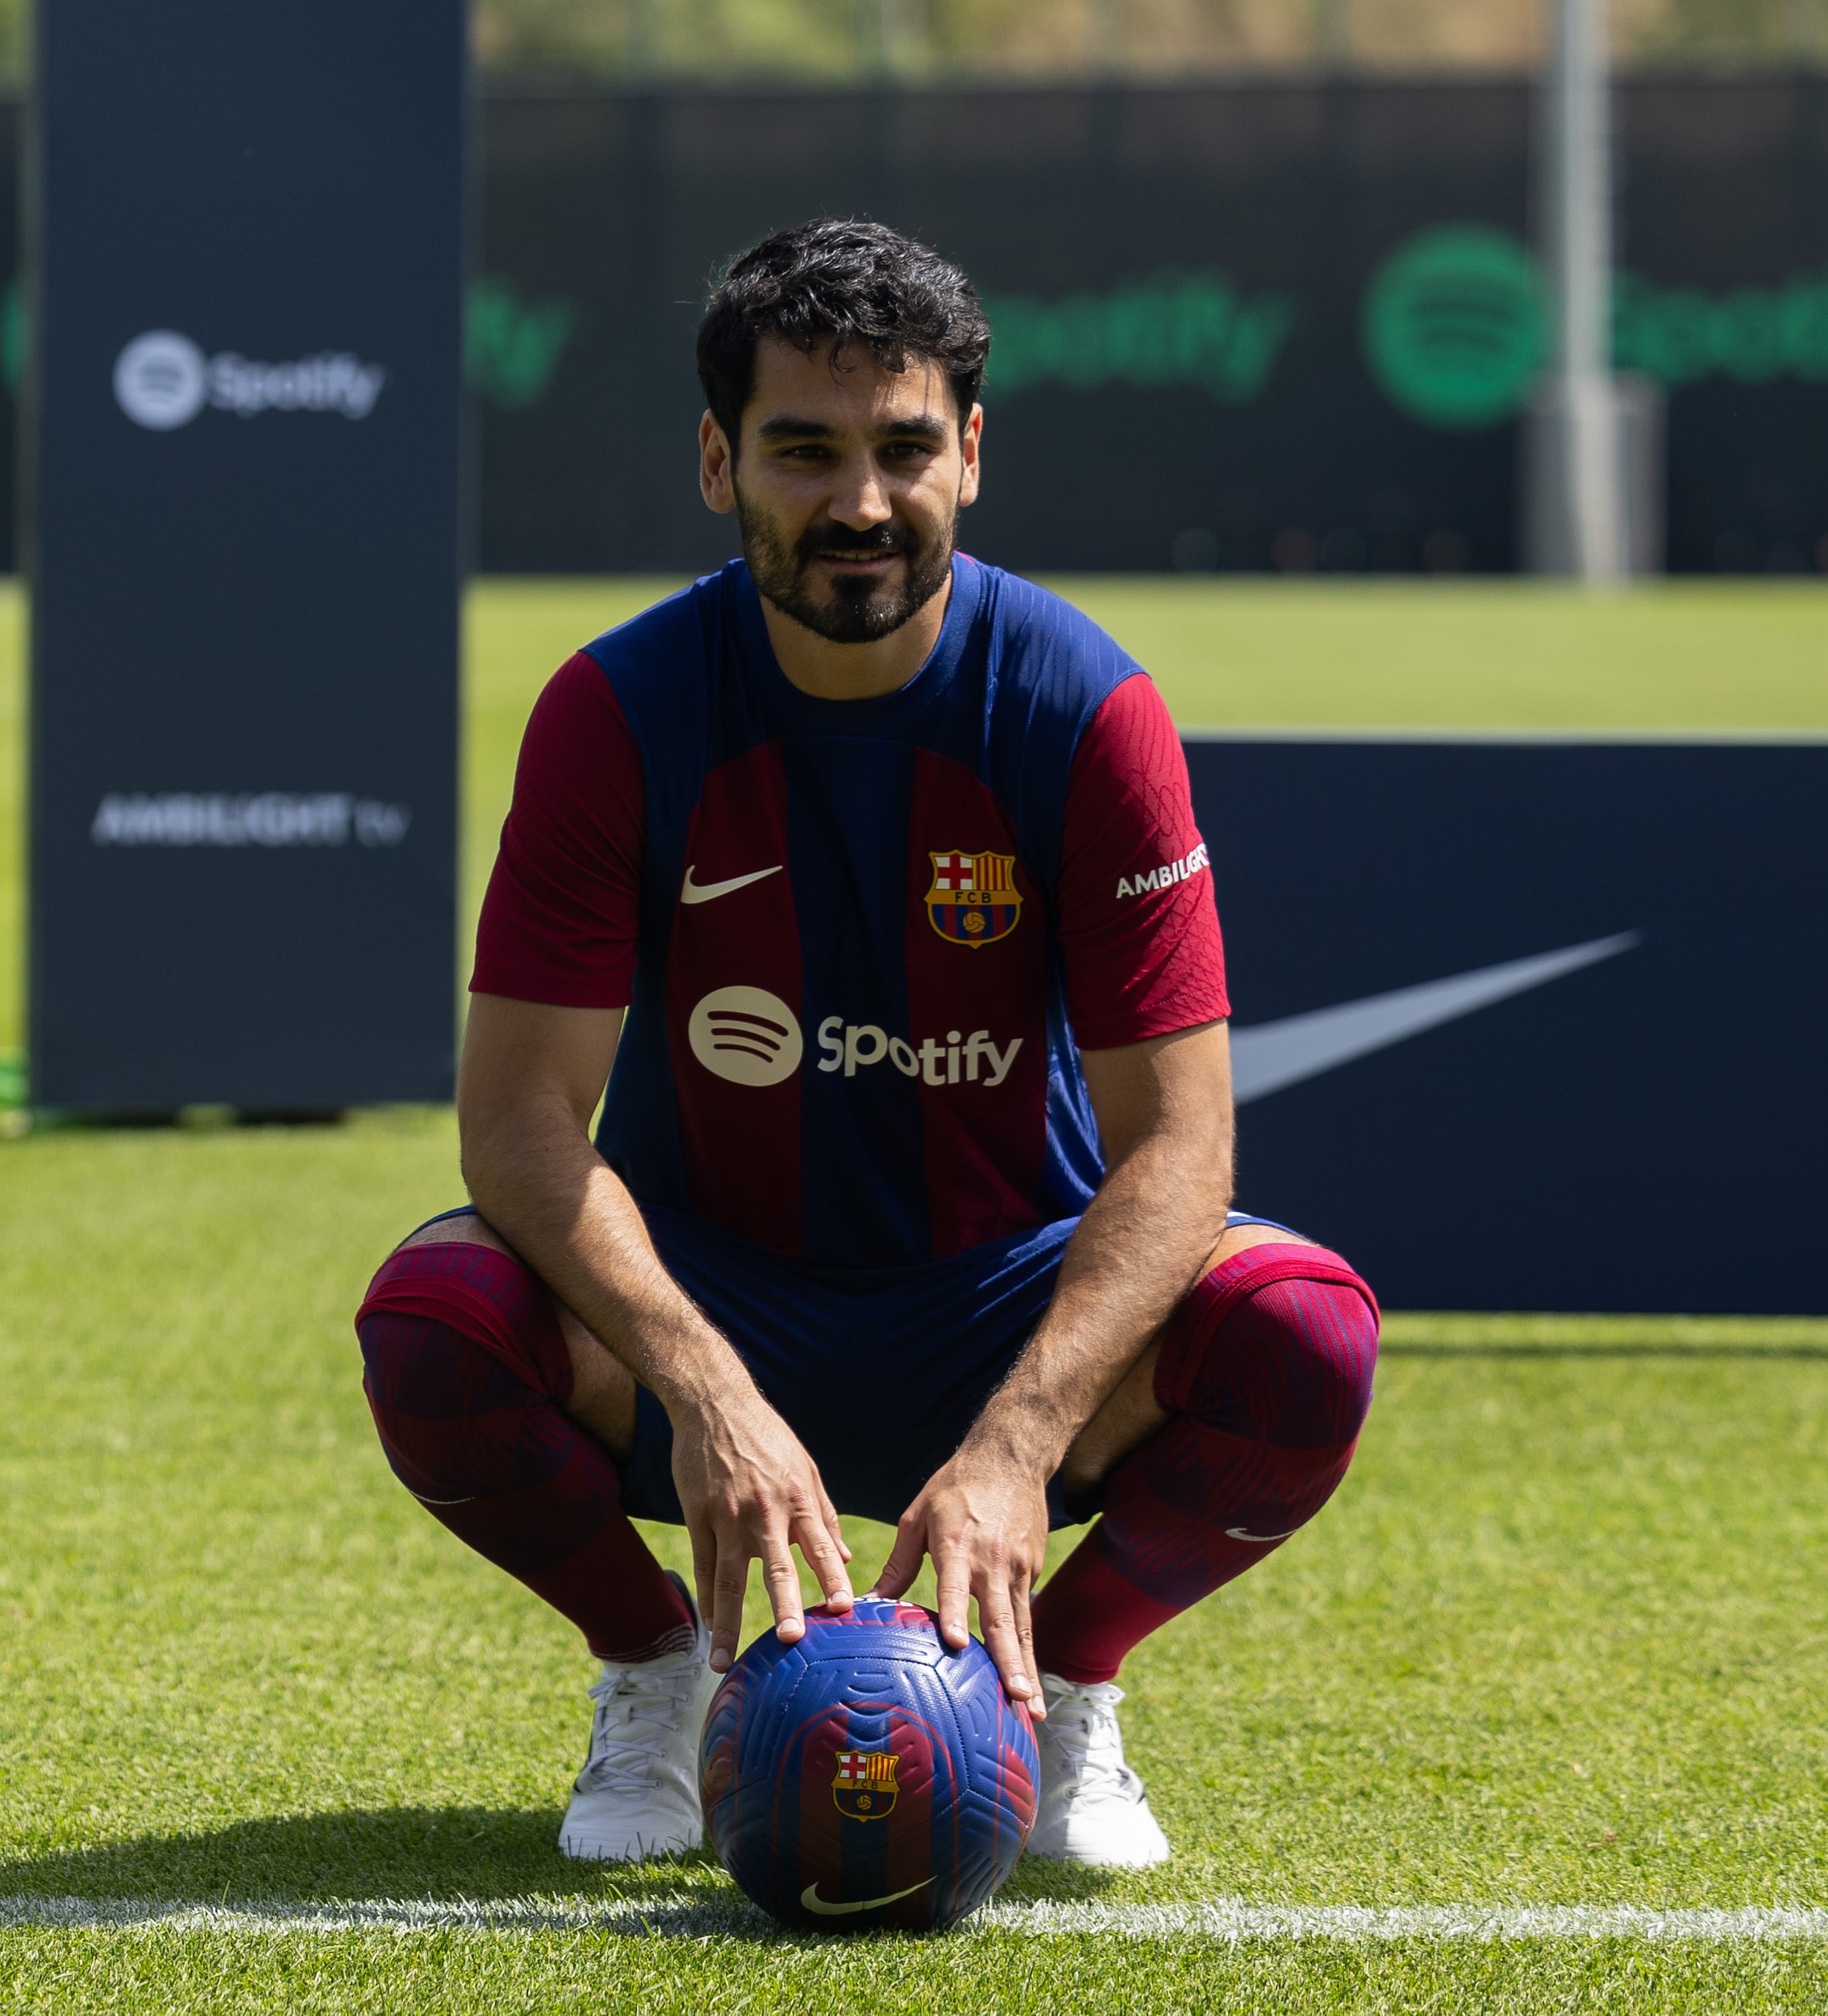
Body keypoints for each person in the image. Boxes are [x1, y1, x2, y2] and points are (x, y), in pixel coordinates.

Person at [358, 220, 1379, 1871]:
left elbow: (1181, 1143)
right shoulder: (613, 710)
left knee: (1306, 1333)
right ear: (716, 460)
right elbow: (522, 1127)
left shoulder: (1082, 706)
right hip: (715, 1286)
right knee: (432, 1319)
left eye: (905, 448)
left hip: (999, 1293)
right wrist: (703, 1385)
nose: (857, 502)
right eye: (802, 451)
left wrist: (1020, 1442)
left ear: (970, 454)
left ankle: (1060, 1679)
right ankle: (655, 1664)